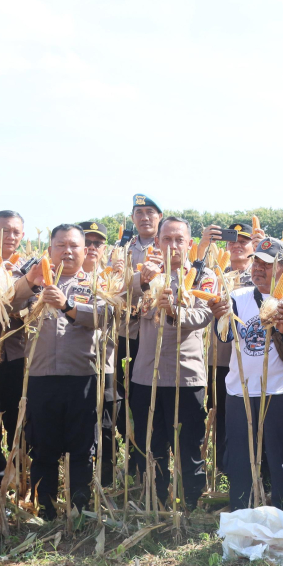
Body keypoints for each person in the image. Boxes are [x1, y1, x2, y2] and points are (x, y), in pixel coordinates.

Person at [12, 225, 108, 520]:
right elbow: (6, 305)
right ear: (50, 249)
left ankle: (80, 507)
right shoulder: (33, 282)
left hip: (82, 377)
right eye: (60, 246)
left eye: (74, 246)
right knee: (43, 449)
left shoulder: (96, 284)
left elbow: (104, 316)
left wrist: (67, 306)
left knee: (81, 449)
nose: (67, 251)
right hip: (41, 377)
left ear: (84, 251)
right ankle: (46, 509)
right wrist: (30, 281)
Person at [208, 237, 283, 510]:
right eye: (256, 261)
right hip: (240, 392)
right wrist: (220, 316)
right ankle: (240, 516)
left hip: (282, 392)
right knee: (240, 460)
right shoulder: (238, 297)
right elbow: (224, 336)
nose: (257, 269)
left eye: (266, 264)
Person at [128, 216, 214, 510]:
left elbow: (204, 315)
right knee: (151, 445)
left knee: (189, 445)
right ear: (157, 242)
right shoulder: (143, 275)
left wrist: (174, 311)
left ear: (190, 244)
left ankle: (191, 501)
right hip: (145, 376)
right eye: (167, 239)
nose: (173, 246)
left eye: (180, 240)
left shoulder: (203, 276)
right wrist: (142, 281)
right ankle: (155, 498)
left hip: (185, 375)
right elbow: (120, 309)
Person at [196, 221, 255, 475]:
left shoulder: (264, 273)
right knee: (221, 414)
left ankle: (251, 467)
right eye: (233, 241)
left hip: (253, 359)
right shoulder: (215, 274)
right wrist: (202, 247)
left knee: (250, 415)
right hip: (219, 358)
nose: (238, 246)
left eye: (244, 241)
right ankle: (222, 467)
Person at [115, 193, 162, 476]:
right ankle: (133, 457)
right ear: (133, 218)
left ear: (159, 217)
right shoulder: (120, 249)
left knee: (151, 398)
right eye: (139, 212)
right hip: (126, 333)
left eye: (150, 212)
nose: (144, 217)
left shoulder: (168, 246)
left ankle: (154, 461)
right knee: (126, 397)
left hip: (156, 331)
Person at [78, 220, 120, 485]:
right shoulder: (64, 276)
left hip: (104, 365)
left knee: (105, 425)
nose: (92, 247)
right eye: (87, 242)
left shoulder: (112, 279)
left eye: (98, 243)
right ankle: (77, 480)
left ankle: (105, 481)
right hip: (74, 367)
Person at [0, 210, 28, 456]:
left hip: (16, 355)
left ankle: (19, 471)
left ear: (22, 235)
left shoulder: (30, 269)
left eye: (15, 232)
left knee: (16, 417)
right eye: (3, 231)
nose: (10, 236)